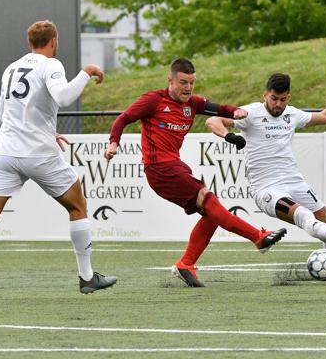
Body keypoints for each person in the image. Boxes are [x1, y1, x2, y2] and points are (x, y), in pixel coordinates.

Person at [0, 20, 117, 294]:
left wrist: (48, 131)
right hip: (38, 154)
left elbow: (5, 116)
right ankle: (87, 277)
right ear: (54, 41)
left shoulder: (11, 69)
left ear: (30, 43)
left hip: (6, 152)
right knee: (78, 206)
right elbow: (62, 97)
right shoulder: (52, 64)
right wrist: (84, 73)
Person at [104, 58, 287, 287]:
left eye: (192, 83)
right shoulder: (153, 100)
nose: (188, 88)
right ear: (170, 80)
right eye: (183, 82)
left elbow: (220, 109)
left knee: (212, 213)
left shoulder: (194, 103)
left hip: (173, 167)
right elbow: (123, 119)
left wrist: (236, 112)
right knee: (210, 201)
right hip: (160, 168)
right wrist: (113, 143)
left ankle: (186, 264)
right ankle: (258, 237)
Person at [206, 73, 326, 281]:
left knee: (325, 222)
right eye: (274, 99)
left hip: (294, 182)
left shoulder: (292, 115)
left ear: (289, 97)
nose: (278, 104)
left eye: (283, 99)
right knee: (304, 216)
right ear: (265, 95)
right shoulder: (249, 113)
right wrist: (229, 136)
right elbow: (213, 120)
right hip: (267, 189)